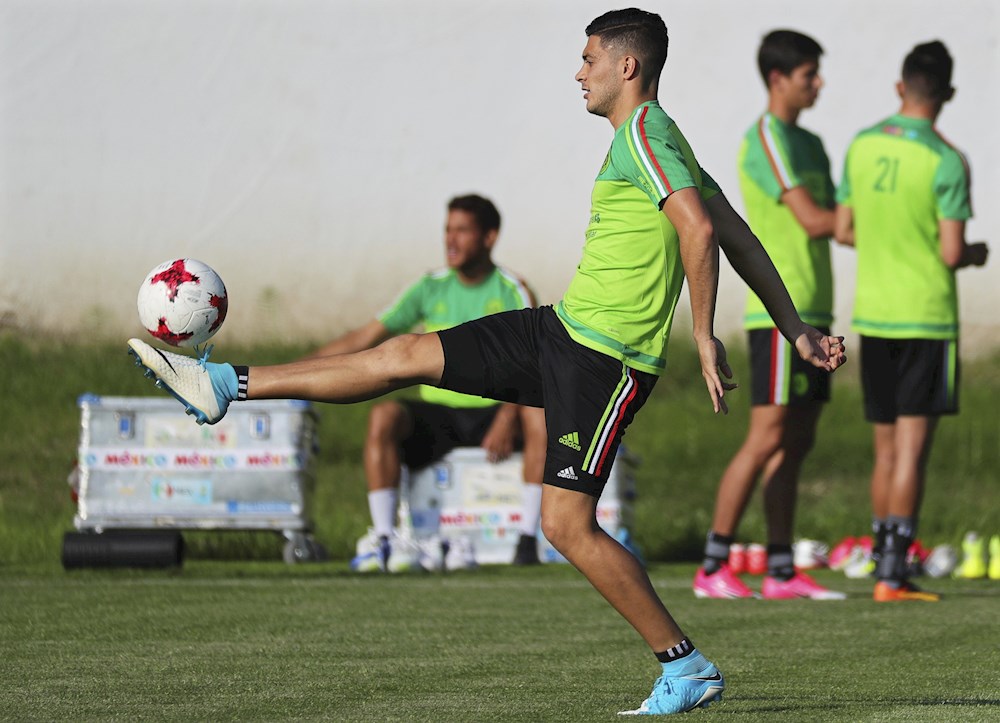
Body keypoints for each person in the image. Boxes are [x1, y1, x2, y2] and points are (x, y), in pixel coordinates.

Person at [127, 9, 846, 714]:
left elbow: (702, 230)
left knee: (567, 526)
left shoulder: (649, 134)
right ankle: (225, 381)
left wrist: (703, 332)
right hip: (560, 330)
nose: (579, 70)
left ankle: (685, 666)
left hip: (605, 364)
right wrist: (799, 329)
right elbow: (742, 237)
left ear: (628, 67)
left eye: (589, 57)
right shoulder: (653, 138)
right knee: (406, 353)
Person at [301, 194, 547, 570]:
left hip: (497, 409)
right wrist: (288, 373)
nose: (450, 239)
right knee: (384, 415)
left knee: (538, 412)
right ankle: (385, 539)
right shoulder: (429, 287)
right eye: (447, 229)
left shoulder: (513, 289)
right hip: (443, 414)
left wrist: (506, 418)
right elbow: (363, 339)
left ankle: (528, 540)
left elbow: (536, 364)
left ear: (489, 237)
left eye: (462, 230)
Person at [834, 40, 988, 603]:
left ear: (901, 87)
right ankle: (893, 572)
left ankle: (882, 560)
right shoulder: (947, 160)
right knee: (912, 451)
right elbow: (951, 251)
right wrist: (976, 253)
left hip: (874, 314)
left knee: (884, 450)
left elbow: (845, 230)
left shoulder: (863, 145)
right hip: (924, 317)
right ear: (946, 93)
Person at [693, 30, 844, 601]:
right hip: (783, 316)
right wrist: (901, 222)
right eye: (810, 74)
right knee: (764, 437)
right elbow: (813, 219)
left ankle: (780, 569)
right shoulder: (767, 138)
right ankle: (713, 563)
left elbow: (834, 219)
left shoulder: (813, 144)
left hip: (818, 309)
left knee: (797, 440)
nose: (818, 83)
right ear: (778, 78)